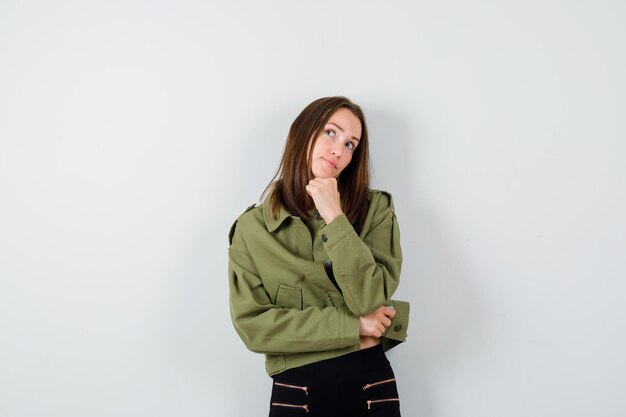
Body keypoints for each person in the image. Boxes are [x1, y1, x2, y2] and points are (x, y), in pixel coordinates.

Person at [228, 96, 410, 416]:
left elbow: (371, 298)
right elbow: (254, 327)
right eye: (331, 132)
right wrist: (355, 327)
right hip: (297, 390)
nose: (339, 150)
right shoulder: (252, 229)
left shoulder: (376, 209)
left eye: (351, 144)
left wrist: (334, 216)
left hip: (370, 382)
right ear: (303, 133)